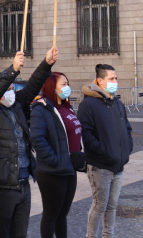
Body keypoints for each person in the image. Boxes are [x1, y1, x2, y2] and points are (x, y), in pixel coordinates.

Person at [0, 47, 59, 238]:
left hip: (23, 183)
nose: (11, 91)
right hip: (1, 186)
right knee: (2, 234)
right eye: (7, 88)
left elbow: (31, 87)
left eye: (13, 87)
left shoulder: (16, 106)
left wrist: (46, 63)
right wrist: (12, 70)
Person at [78, 64, 133, 238]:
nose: (115, 82)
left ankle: (108, 235)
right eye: (111, 79)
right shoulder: (88, 104)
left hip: (118, 164)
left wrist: (127, 148)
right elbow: (86, 135)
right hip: (100, 166)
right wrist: (104, 152)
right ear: (100, 81)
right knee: (99, 205)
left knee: (112, 205)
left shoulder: (117, 103)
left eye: (116, 78)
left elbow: (127, 129)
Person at [30, 72, 82, 238]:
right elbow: (38, 139)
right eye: (63, 84)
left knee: (62, 215)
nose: (67, 87)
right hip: (52, 171)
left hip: (69, 168)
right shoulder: (42, 109)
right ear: (53, 87)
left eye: (67, 83)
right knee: (51, 215)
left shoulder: (67, 108)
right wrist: (56, 160)